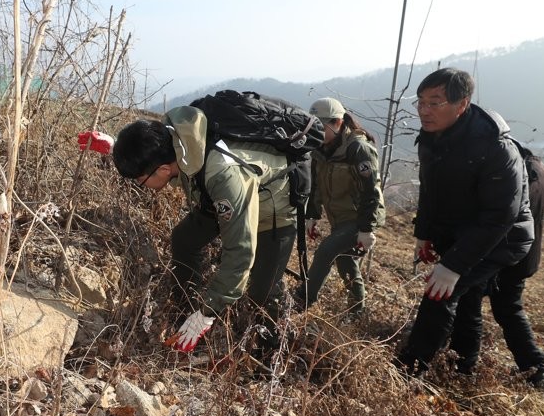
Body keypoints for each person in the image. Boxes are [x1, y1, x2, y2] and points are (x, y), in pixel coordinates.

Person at [112, 105, 298, 356]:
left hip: (273, 207)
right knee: (184, 240)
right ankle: (184, 311)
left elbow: (240, 253)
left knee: (262, 290)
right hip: (215, 197)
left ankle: (271, 354)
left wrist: (209, 311)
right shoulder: (175, 142)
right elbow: (161, 163)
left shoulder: (224, 174)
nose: (139, 185)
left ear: (163, 170)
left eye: (139, 179)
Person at [396, 68, 535, 376]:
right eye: (420, 102)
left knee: (440, 292)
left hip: (503, 238)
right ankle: (463, 367)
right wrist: (424, 234)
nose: (424, 110)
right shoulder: (432, 139)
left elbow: (501, 216)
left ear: (462, 104)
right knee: (467, 299)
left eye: (435, 102)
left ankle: (410, 368)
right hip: (465, 233)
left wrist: (453, 265)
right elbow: (430, 192)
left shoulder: (495, 146)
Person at [449, 144, 544, 386]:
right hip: (521, 254)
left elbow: (501, 216)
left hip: (499, 253)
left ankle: (463, 366)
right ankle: (536, 370)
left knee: (468, 306)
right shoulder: (536, 166)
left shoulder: (519, 170)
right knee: (509, 310)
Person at [300, 97, 386, 314]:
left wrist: (366, 230)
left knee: (325, 252)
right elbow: (316, 185)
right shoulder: (321, 149)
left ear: (338, 123)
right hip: (339, 217)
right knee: (346, 263)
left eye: (321, 126)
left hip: (360, 217)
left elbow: (371, 192)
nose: (316, 132)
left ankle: (303, 300)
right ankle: (357, 312)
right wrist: (312, 215)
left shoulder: (358, 149)